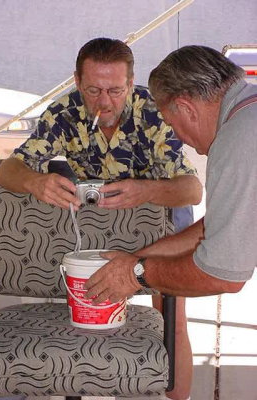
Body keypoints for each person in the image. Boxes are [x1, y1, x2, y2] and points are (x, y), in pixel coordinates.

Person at [0, 38, 202, 400]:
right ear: (77, 81)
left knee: (172, 317)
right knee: (87, 307)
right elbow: (8, 170)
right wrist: (34, 181)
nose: (104, 102)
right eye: (92, 90)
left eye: (115, 90)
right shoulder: (63, 113)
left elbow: (191, 190)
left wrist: (148, 190)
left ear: (131, 81)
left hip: (160, 214)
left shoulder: (154, 111)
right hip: (97, 219)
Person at [84, 45, 257, 397]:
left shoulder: (238, 140)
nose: (177, 136)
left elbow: (222, 274)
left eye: (172, 122)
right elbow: (216, 229)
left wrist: (136, 274)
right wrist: (143, 256)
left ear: (185, 107)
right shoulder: (248, 112)